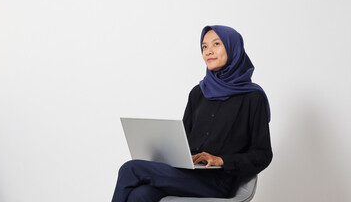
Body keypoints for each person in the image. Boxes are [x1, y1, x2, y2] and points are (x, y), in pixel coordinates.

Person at [111, 25, 272, 202]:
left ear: (233, 48)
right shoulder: (198, 93)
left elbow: (263, 154)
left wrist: (221, 160)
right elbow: (185, 139)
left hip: (218, 180)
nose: (208, 51)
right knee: (139, 195)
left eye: (216, 44)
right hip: (187, 173)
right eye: (204, 47)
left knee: (130, 169)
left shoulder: (252, 97)